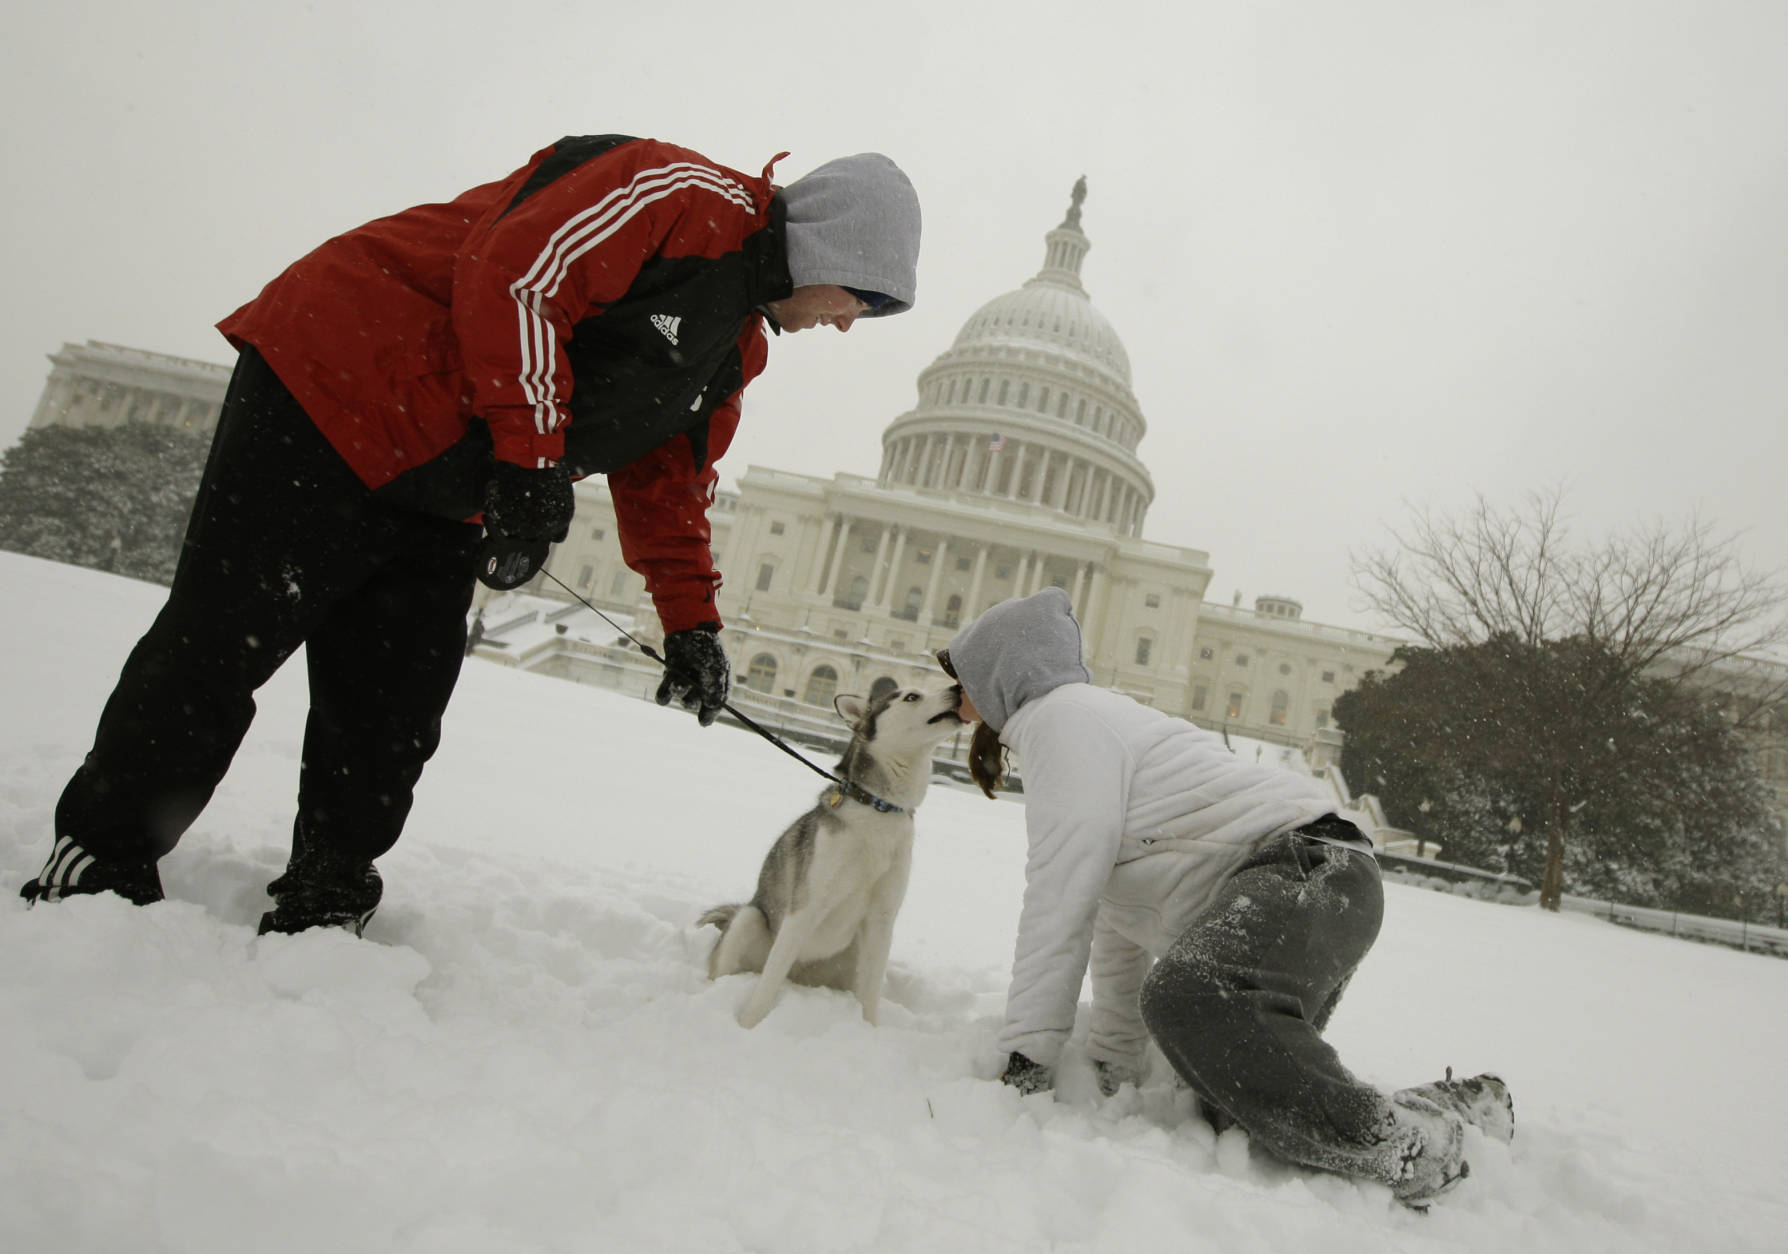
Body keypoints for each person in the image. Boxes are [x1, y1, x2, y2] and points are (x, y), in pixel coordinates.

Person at [19, 136, 922, 936]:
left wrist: (692, 625)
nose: (849, 323)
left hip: (454, 479)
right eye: (862, 298)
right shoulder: (676, 195)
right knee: (225, 641)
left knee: (396, 699)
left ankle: (328, 889)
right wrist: (531, 462)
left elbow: (669, 484)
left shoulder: (732, 349)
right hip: (337, 391)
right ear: (829, 245)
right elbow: (518, 277)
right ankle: (103, 855)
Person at [937, 588, 1513, 1207]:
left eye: (960, 677)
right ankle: (1456, 1109)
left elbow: (1059, 900)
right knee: (1244, 1098)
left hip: (1308, 868)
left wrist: (1028, 1057)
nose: (954, 695)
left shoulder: (1062, 721)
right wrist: (1113, 1057)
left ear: (998, 670)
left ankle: (1421, 1152)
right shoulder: (1080, 724)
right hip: (1321, 885)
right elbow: (1111, 917)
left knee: (1190, 1000)